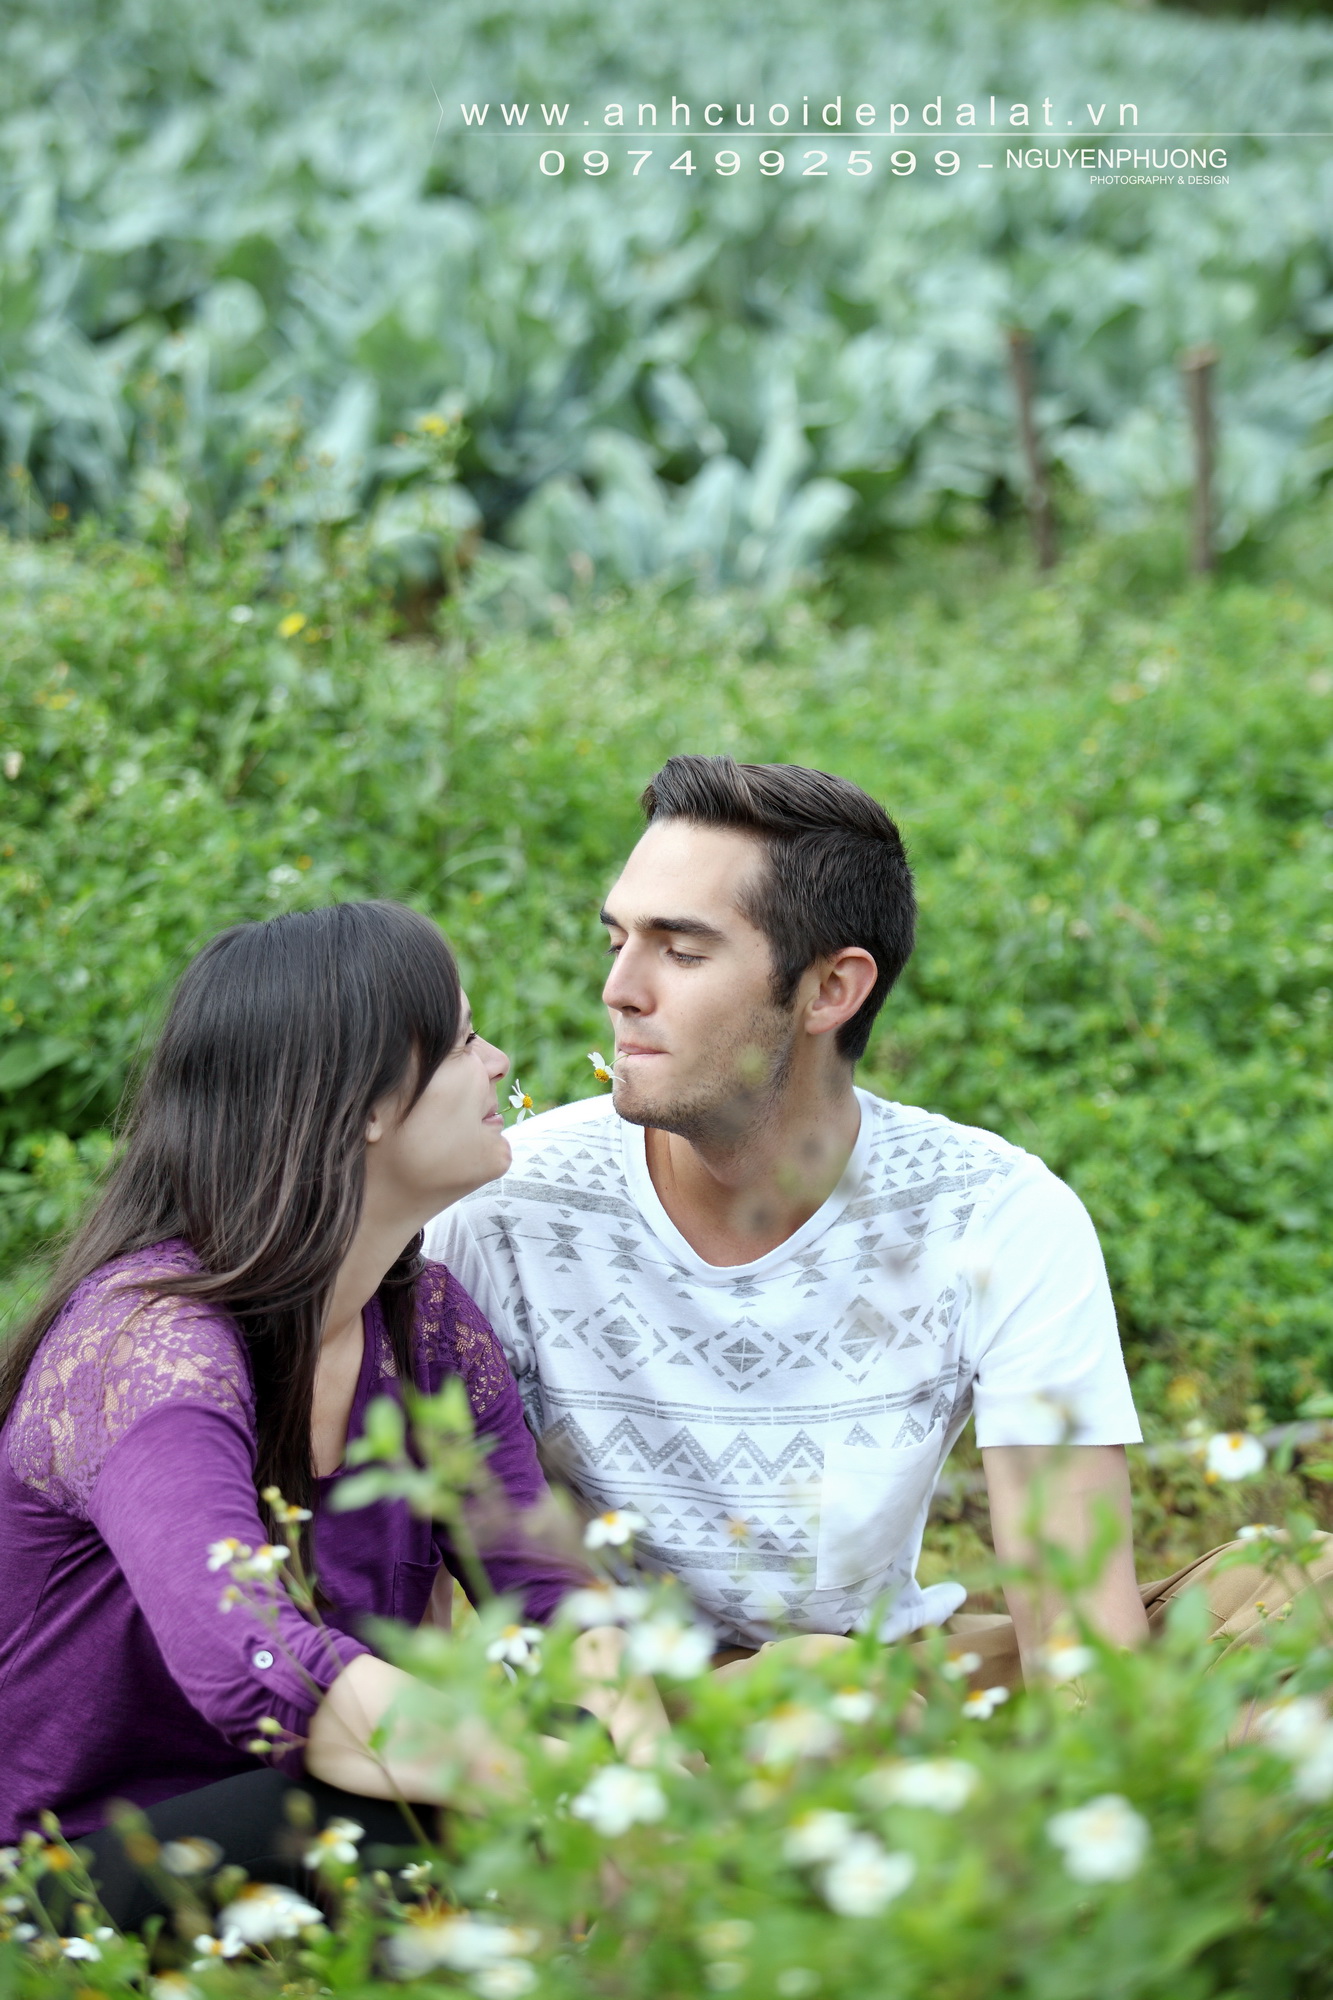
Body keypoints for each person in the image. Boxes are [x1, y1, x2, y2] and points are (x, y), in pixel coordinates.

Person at [427, 756, 1160, 1680]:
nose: (619, 988)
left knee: (1287, 1601)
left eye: (681, 952)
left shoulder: (995, 1219)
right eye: (617, 940)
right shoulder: (502, 1209)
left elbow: (1076, 1625)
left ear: (830, 991)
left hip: (880, 1695)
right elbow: (415, 1614)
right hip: (617, 1709)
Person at [0, 900, 599, 1921]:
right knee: (418, 1818)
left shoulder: (424, 1328)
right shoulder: (146, 1343)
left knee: (524, 1777)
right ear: (363, 1102)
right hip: (68, 1867)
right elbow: (249, 1659)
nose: (498, 1063)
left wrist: (645, 1782)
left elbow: (547, 1600)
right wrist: (552, 1787)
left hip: (293, 1817)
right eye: (463, 1042)